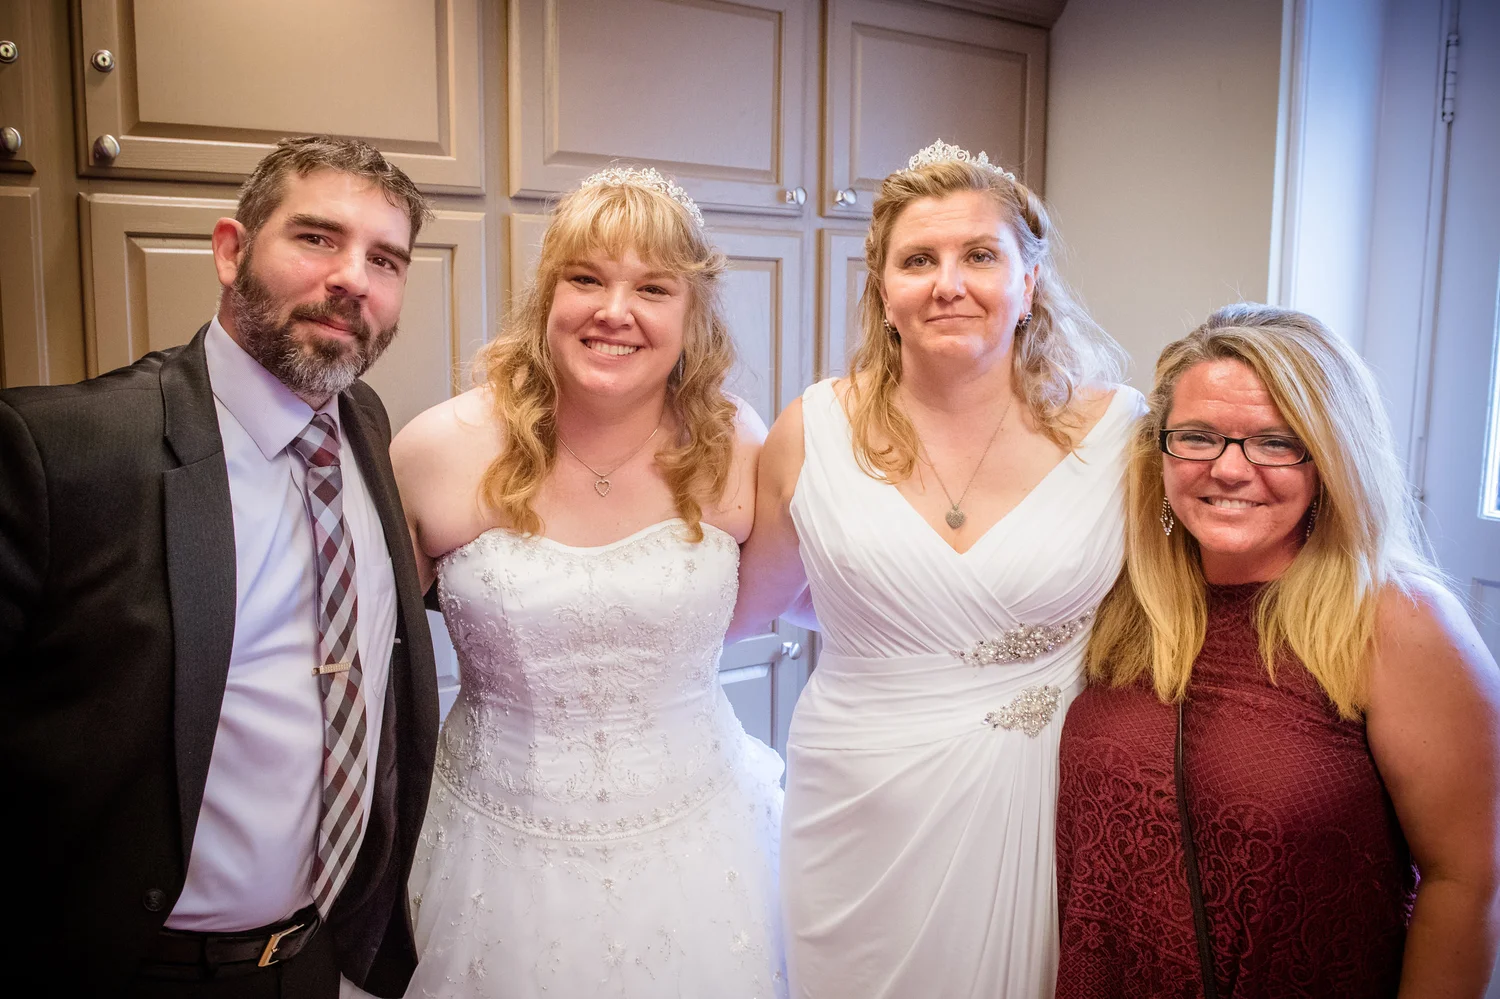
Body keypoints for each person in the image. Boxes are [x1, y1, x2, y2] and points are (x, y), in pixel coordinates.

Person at [0, 136, 441, 997]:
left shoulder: (365, 421)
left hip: (314, 962)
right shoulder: (59, 453)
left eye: (384, 259)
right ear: (231, 251)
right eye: (316, 237)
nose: (352, 277)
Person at [729, 139, 1138, 998]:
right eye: (918, 260)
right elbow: (746, 606)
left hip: (1041, 798)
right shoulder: (811, 430)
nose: (948, 283)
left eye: (980, 256)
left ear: (1029, 283)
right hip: (858, 806)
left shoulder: (1119, 438)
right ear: (884, 292)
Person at [385, 165, 785, 998]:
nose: (614, 311)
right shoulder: (437, 451)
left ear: (693, 311)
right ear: (548, 295)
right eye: (586, 279)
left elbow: (775, 605)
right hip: (492, 849)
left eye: (653, 287)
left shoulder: (738, 445)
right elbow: (371, 662)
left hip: (702, 838)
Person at [1056, 304, 1500, 997]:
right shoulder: (1125, 599)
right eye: (1197, 437)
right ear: (1160, 452)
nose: (1230, 469)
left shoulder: (1398, 621)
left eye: (1275, 442)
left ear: (1330, 461)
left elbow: (1466, 880)